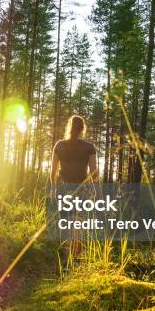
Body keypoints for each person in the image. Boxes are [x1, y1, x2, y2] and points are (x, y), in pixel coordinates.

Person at [50, 115, 98, 270]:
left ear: (69, 127)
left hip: (63, 189)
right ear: (82, 129)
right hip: (81, 190)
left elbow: (53, 171)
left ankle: (65, 261)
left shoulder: (59, 145)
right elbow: (94, 173)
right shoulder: (89, 147)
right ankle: (75, 258)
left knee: (65, 224)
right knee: (78, 224)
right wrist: (95, 191)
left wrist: (53, 189)